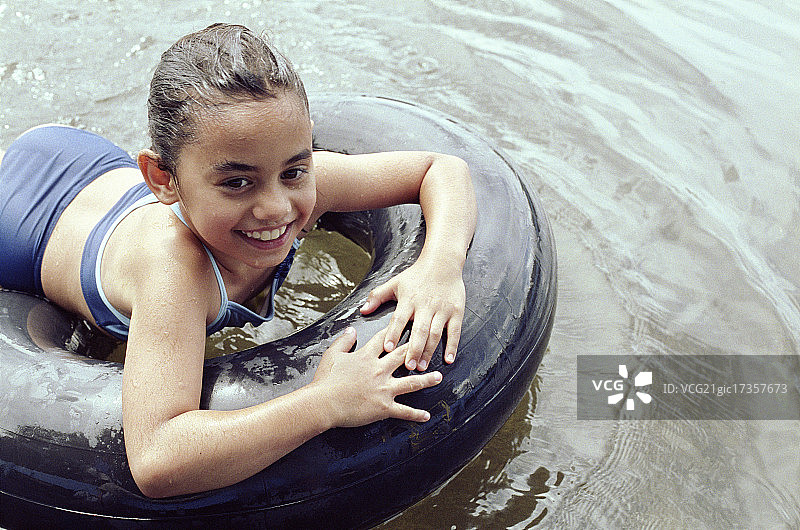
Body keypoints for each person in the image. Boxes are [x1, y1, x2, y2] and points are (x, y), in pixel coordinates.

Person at [0, 23, 476, 498]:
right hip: (19, 213)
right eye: (237, 182)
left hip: (92, 167)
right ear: (164, 179)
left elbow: (442, 169)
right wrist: (325, 403)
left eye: (294, 171)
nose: (276, 208)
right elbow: (156, 460)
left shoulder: (301, 186)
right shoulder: (175, 272)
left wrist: (439, 266)